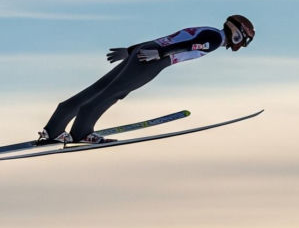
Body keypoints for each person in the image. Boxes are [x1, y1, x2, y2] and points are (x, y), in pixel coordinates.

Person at [38, 14, 255, 144]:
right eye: (244, 41)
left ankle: (53, 129)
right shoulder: (215, 38)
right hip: (154, 58)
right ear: (238, 34)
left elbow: (167, 38)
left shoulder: (208, 30)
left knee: (101, 87)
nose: (240, 45)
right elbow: (187, 46)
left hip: (148, 51)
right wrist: (158, 55)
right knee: (114, 92)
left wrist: (132, 50)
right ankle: (82, 132)